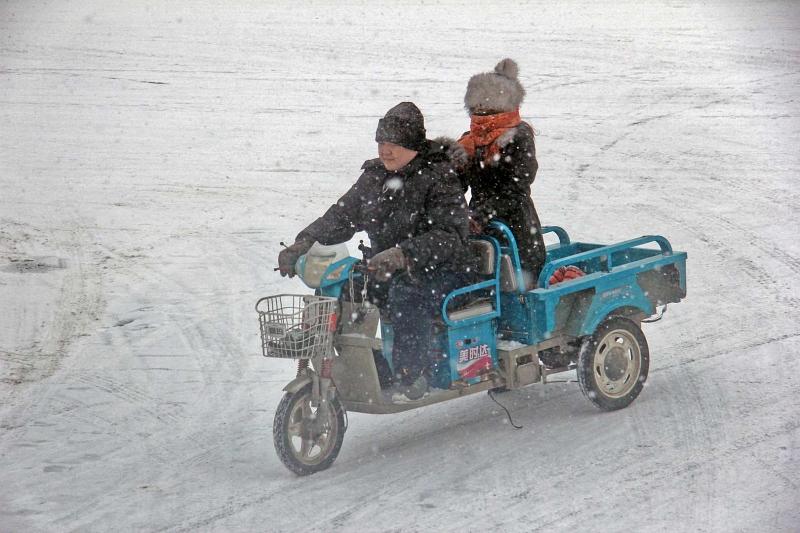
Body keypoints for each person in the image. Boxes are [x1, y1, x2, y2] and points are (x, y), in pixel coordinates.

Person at [277, 102, 475, 400]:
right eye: (381, 142)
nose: (385, 151)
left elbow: (450, 236)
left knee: (406, 294)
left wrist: (403, 254)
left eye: (394, 144)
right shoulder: (375, 177)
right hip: (387, 267)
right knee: (345, 286)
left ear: (413, 145)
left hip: (447, 270)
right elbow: (343, 215)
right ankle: (368, 369)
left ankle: (412, 374)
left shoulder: (439, 176)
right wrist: (305, 242)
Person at [453, 58, 546, 287]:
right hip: (477, 227)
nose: (479, 111)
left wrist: (483, 214)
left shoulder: (518, 136)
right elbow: (455, 183)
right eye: (476, 105)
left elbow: (516, 188)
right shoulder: (469, 141)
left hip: (516, 227)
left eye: (485, 104)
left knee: (518, 285)